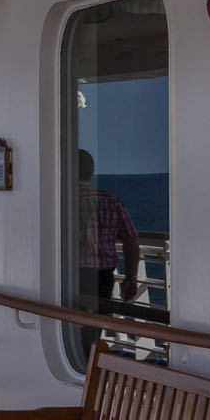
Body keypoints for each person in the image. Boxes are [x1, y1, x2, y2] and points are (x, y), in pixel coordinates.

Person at [75, 149, 141, 357]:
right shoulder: (110, 200)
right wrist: (131, 278)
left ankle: (80, 367)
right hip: (103, 276)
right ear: (92, 172)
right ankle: (89, 364)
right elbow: (131, 238)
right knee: (95, 326)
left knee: (69, 326)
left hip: (71, 274)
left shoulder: (59, 201)